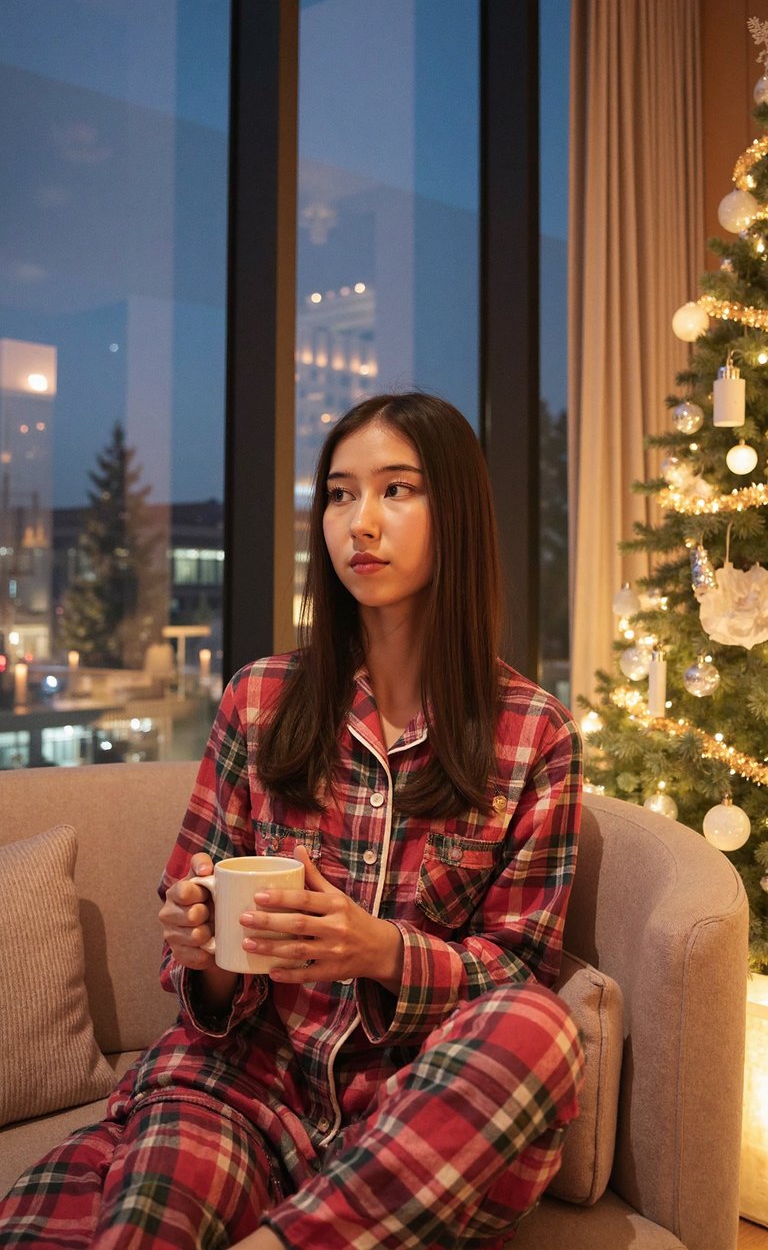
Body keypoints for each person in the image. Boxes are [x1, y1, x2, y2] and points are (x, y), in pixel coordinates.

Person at [0, 392, 584, 1250]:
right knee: (140, 1216)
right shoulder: (260, 699)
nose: (361, 524)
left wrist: (378, 950)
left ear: (454, 509)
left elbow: (521, 967)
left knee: (540, 1029)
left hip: (414, 1116)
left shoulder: (533, 732)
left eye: (397, 490)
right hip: (243, 1082)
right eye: (341, 494)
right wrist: (201, 953)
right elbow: (189, 932)